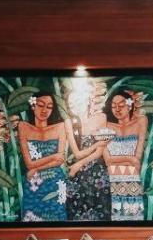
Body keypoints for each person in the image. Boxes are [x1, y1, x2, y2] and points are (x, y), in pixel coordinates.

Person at [63, 81, 113, 221]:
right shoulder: (69, 123)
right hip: (78, 175)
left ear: (87, 99)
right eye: (71, 104)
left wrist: (78, 164)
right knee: (76, 212)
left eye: (78, 101)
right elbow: (77, 154)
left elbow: (99, 152)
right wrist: (96, 145)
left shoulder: (101, 117)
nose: (74, 106)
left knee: (101, 211)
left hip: (97, 173)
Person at [17, 93, 69, 222]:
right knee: (31, 219)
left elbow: (59, 160)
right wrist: (54, 156)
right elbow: (29, 164)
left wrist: (36, 168)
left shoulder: (60, 127)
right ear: (33, 106)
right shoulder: (23, 126)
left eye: (49, 107)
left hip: (55, 181)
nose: (45, 110)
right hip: (33, 183)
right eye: (40, 105)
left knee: (58, 219)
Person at [104, 92, 148, 221]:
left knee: (133, 221)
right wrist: (130, 159)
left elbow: (137, 159)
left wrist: (131, 161)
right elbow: (108, 161)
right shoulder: (106, 126)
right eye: (113, 106)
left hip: (132, 181)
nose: (117, 109)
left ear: (129, 105)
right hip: (111, 180)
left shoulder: (140, 122)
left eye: (121, 105)